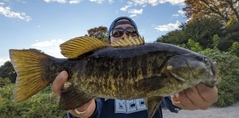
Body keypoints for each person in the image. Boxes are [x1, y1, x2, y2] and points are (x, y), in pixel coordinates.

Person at [51, 16, 219, 118]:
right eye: (117, 33)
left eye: (131, 32)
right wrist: (80, 110)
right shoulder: (95, 56)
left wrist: (192, 98)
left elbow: (172, 98)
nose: (125, 35)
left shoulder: (168, 73)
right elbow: (91, 110)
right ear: (108, 41)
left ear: (139, 38)